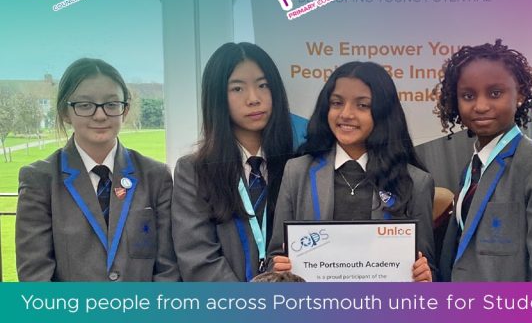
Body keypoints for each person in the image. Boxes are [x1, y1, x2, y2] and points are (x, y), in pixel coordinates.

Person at [269, 61, 434, 282]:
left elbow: (429, 266)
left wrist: (425, 277)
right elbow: (275, 255)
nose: (346, 114)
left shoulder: (416, 182)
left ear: (383, 113)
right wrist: (279, 267)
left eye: (362, 105)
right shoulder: (296, 172)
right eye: (337, 103)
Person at [16, 58, 179, 281]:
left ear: (125, 110)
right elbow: (35, 278)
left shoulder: (155, 176)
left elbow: (168, 271)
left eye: (111, 104)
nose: (100, 115)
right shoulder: (40, 180)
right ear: (65, 112)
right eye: (85, 105)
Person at [435, 39, 532, 281]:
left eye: (495, 93)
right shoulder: (472, 169)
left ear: (519, 93)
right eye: (468, 95)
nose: (480, 106)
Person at [172, 42, 293, 281]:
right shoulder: (194, 171)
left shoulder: (298, 166)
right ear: (217, 97)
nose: (254, 99)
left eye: (263, 85)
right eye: (237, 89)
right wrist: (246, 305)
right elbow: (197, 259)